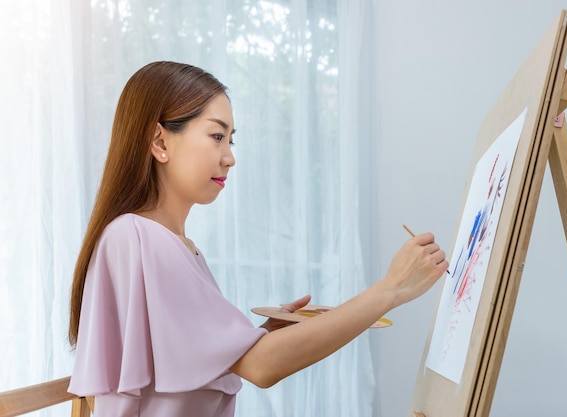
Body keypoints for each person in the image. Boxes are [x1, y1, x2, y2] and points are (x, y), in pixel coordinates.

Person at [67, 61, 449, 417]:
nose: (229, 157)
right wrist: (391, 289)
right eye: (217, 135)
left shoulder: (174, 246)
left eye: (231, 140)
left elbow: (196, 362)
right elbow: (262, 366)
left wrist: (259, 337)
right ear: (160, 143)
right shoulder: (139, 238)